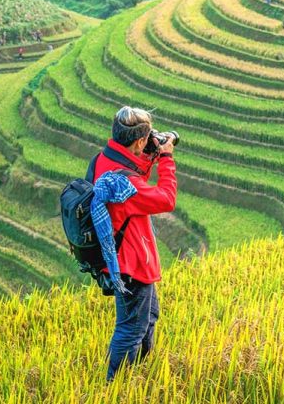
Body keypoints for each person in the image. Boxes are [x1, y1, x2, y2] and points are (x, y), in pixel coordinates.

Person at [95, 106, 177, 381]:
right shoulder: (123, 183)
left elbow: (132, 176)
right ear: (139, 141)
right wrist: (165, 158)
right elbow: (166, 199)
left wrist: (149, 158)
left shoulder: (103, 161)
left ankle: (139, 375)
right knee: (131, 328)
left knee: (148, 316)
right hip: (130, 265)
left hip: (119, 257)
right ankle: (114, 384)